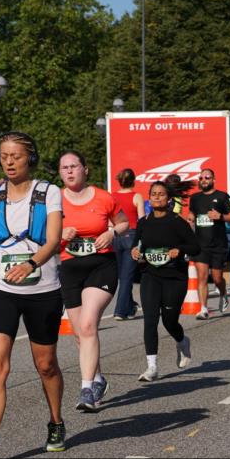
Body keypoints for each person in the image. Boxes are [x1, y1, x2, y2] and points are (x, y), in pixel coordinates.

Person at [0, 132, 64, 459]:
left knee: (45, 364)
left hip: (42, 288)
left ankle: (55, 421)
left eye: (16, 156)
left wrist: (30, 264)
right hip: (1, 288)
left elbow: (53, 240)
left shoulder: (49, 192)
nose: (9, 162)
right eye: (4, 156)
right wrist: (2, 267)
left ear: (30, 158)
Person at [58, 150, 130, 413]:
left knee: (88, 325)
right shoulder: (54, 200)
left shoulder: (103, 197)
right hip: (70, 268)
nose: (69, 171)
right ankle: (98, 378)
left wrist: (111, 233)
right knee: (80, 334)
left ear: (85, 169)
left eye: (74, 166)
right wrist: (60, 233)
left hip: (101, 266)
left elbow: (123, 223)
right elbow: (42, 234)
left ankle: (87, 389)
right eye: (64, 167)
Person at [132, 182, 200, 381]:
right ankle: (152, 367)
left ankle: (182, 340)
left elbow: (195, 247)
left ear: (168, 199)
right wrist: (134, 251)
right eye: (153, 194)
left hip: (174, 277)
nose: (157, 197)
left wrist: (180, 250)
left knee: (169, 321)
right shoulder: (144, 222)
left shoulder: (177, 222)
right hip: (150, 275)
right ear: (149, 197)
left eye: (161, 194)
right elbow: (137, 245)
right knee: (150, 319)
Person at [188, 168, 230, 319]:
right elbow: (192, 214)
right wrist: (190, 218)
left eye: (207, 177)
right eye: (201, 178)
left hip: (218, 244)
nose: (204, 180)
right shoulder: (195, 198)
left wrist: (220, 216)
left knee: (217, 278)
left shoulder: (222, 196)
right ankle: (203, 309)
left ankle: (223, 293)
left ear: (213, 179)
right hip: (201, 245)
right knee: (202, 276)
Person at [110, 168, 146, 320]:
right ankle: (120, 311)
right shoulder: (136, 196)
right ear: (133, 181)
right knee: (127, 276)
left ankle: (130, 306)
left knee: (123, 276)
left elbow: (108, 218)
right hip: (131, 236)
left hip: (115, 235)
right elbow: (142, 220)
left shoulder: (112, 196)